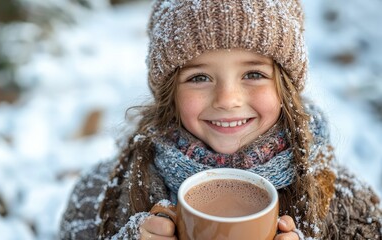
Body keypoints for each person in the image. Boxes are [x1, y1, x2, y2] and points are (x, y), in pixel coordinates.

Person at [59, 0, 382, 239]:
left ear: (285, 87)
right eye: (199, 78)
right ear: (170, 92)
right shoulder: (103, 193)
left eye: (253, 74)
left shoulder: (345, 202)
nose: (228, 100)